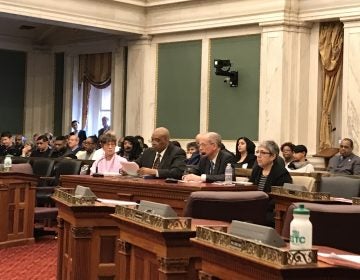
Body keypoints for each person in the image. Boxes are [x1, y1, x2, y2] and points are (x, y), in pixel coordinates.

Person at [249, 140, 292, 226]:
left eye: (263, 153)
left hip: (271, 211)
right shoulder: (257, 170)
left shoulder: (281, 173)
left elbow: (279, 198)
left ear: (272, 156)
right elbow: (250, 188)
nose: (258, 156)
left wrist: (259, 206)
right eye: (257, 152)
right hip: (255, 207)